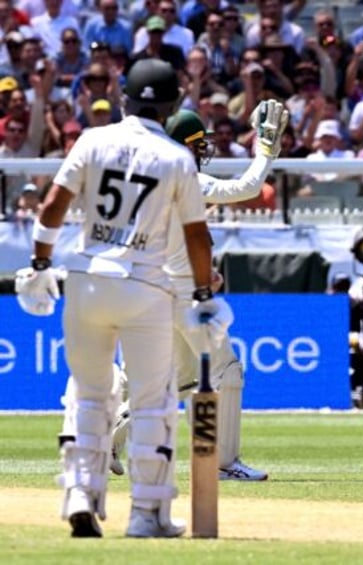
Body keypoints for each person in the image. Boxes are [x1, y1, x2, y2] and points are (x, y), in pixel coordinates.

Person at [14, 59, 228, 538]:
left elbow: (52, 205)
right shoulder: (176, 158)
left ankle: (78, 493)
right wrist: (200, 294)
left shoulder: (92, 140)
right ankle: (147, 514)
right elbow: (198, 238)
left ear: (124, 98)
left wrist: (41, 263)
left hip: (87, 279)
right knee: (154, 402)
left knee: (89, 393)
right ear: (174, 105)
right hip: (146, 286)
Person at [107, 101, 289, 482]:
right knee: (229, 370)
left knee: (178, 381)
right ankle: (225, 464)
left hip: (156, 293)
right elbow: (247, 187)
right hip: (185, 297)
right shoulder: (182, 173)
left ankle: (108, 439)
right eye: (197, 142)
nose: (202, 150)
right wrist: (266, 150)